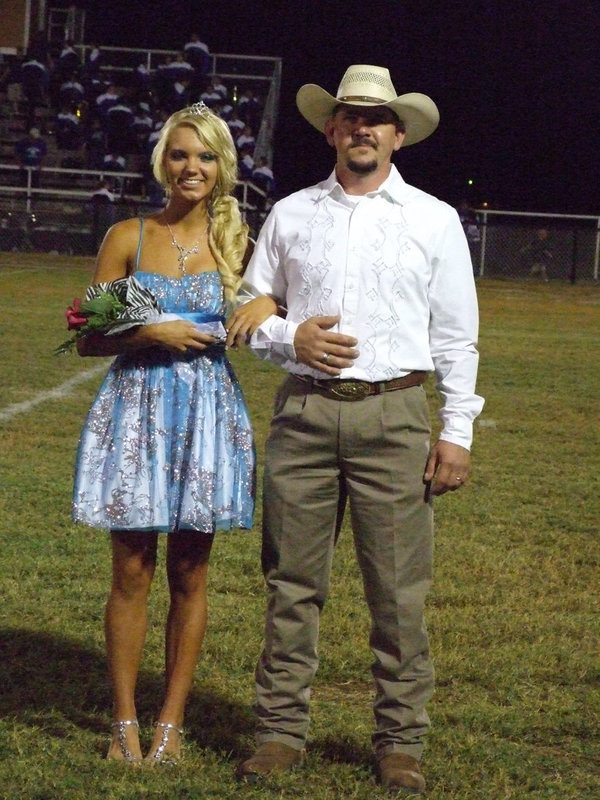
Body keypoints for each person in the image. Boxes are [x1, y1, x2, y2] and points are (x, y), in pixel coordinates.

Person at [232, 64, 484, 794]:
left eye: (377, 118)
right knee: (291, 586)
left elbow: (456, 337)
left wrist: (456, 430)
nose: (363, 128)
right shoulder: (291, 213)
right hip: (306, 415)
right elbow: (252, 312)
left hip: (397, 416)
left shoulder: (433, 219)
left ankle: (400, 740)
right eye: (350, 116)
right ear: (331, 128)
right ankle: (279, 732)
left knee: (398, 592)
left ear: (398, 134)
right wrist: (291, 341)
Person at [71, 101, 276, 764]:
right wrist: (148, 330)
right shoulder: (130, 237)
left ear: (222, 167)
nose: (193, 167)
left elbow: (277, 301)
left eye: (206, 156)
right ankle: (125, 723)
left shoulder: (237, 242)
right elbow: (88, 339)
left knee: (192, 570)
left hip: (209, 414)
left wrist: (267, 301)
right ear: (164, 162)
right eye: (181, 154)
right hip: (139, 411)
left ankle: (170, 726)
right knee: (131, 569)